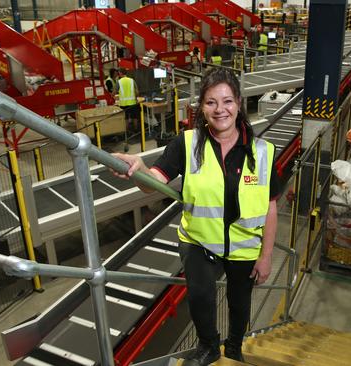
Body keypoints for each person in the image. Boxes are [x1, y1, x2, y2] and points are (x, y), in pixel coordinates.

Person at [111, 68, 279, 365]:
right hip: (199, 241)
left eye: (227, 101)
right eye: (211, 102)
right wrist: (139, 170)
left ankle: (235, 347)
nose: (220, 110)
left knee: (239, 304)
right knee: (201, 295)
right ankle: (209, 346)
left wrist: (266, 255)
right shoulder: (187, 144)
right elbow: (155, 182)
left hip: (244, 247)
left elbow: (270, 206)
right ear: (201, 107)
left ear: (239, 103)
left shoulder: (262, 151)